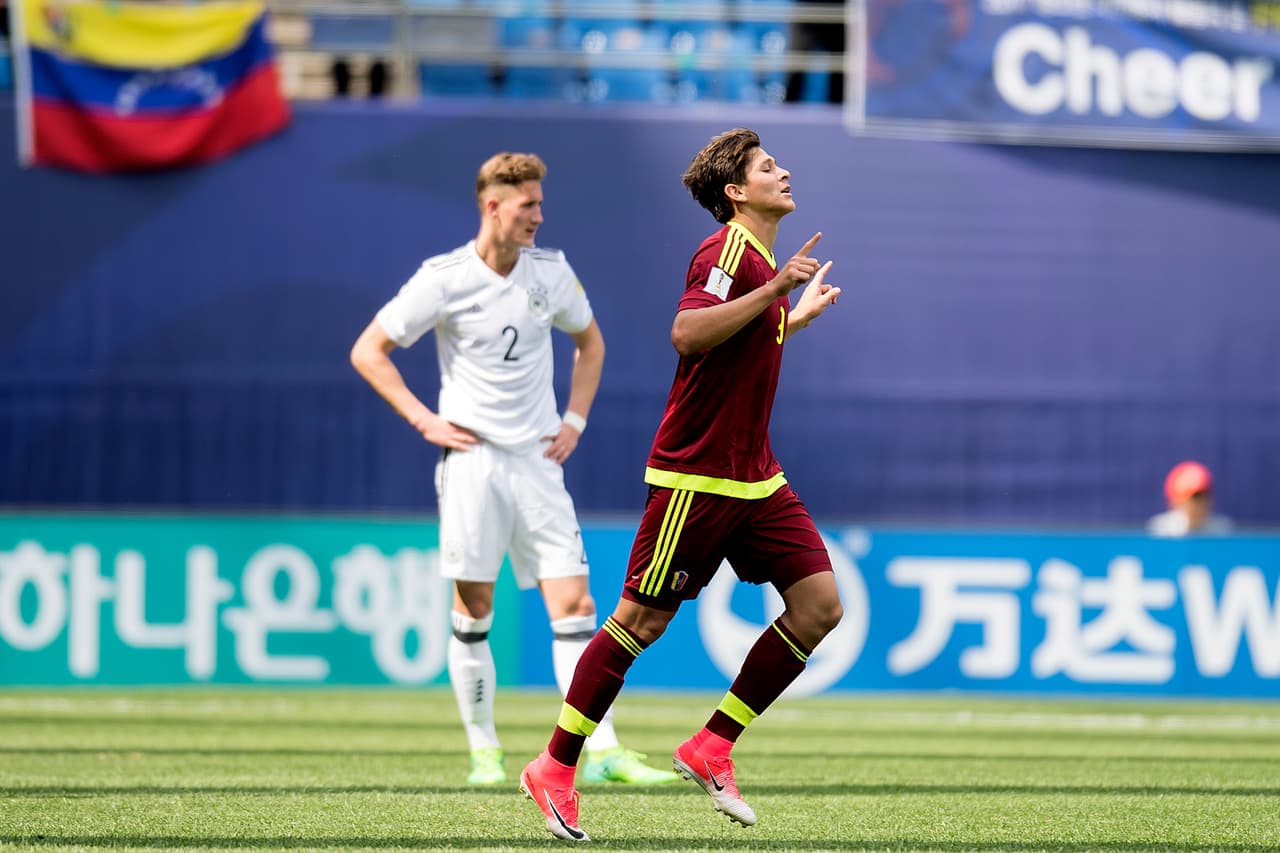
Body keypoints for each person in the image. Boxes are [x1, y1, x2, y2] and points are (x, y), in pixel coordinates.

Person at [519, 128, 844, 842]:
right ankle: (554, 764)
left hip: (753, 474)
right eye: (766, 166)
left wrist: (792, 313)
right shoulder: (726, 249)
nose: (782, 171)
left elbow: (740, 344)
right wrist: (778, 292)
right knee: (640, 623)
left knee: (820, 605)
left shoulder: (759, 262)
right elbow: (689, 333)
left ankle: (713, 744)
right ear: (736, 192)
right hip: (697, 474)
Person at [350, 152, 676, 788]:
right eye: (526, 204)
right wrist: (425, 419)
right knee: (473, 610)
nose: (538, 215)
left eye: (539, 203)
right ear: (491, 206)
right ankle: (483, 750)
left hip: (536, 462)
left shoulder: (550, 272)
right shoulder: (442, 278)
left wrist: (574, 420)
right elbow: (370, 350)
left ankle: (602, 750)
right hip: (472, 463)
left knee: (577, 605)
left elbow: (591, 343)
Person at [1147, 460, 1232, 537]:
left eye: (1204, 495)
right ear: (1175, 501)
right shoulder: (1160, 529)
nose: (1198, 503)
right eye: (1194, 497)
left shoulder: (1222, 530)